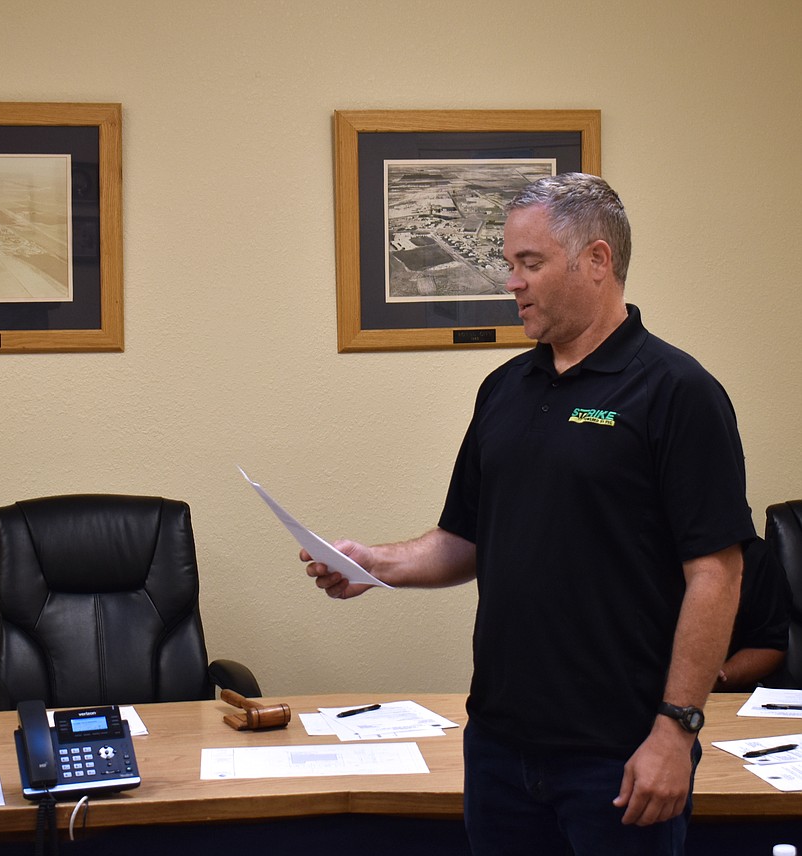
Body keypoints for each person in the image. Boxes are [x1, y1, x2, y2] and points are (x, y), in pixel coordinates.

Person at [303, 174, 754, 855]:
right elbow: (465, 540)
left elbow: (717, 574)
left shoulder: (678, 392)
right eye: (509, 264)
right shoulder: (504, 390)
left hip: (620, 756)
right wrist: (374, 564)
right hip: (498, 749)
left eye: (529, 264)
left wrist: (676, 731)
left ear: (597, 262)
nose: (510, 283)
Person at [715, 536, 789, 691]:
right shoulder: (653, 559)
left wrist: (723, 674)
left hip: (726, 695)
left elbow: (769, 645)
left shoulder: (754, 555)